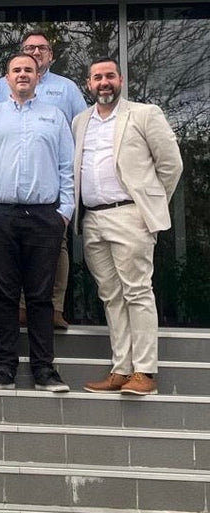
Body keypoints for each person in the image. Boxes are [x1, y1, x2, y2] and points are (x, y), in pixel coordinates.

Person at [74, 58, 182, 396]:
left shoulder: (144, 113)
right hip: (92, 218)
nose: (103, 82)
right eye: (97, 78)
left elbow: (171, 164)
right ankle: (121, 368)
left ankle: (145, 371)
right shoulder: (80, 122)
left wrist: (148, 207)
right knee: (111, 296)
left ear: (120, 80)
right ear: (88, 84)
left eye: (109, 76)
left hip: (129, 215)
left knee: (137, 291)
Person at [0, 52, 74, 392]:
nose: (23, 74)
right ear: (7, 77)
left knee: (40, 297)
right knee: (3, 297)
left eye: (28, 69)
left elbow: (66, 168)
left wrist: (65, 212)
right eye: (16, 70)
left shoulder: (55, 117)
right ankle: (4, 370)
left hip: (44, 217)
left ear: (38, 76)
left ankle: (45, 370)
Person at [0, 30, 86, 330]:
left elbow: (81, 131)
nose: (36, 52)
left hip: (48, 191)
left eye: (42, 48)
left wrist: (66, 205)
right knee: (11, 255)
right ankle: (18, 307)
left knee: (59, 251)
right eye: (30, 48)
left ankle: (54, 307)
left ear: (50, 55)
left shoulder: (67, 89)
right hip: (7, 197)